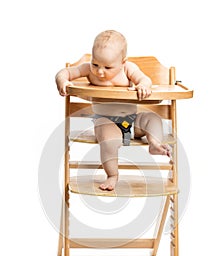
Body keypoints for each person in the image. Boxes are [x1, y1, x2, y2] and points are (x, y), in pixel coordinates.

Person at [55, 30, 171, 191]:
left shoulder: (128, 69)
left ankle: (154, 143)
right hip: (106, 121)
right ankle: (112, 175)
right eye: (95, 64)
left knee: (152, 119)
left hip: (132, 120)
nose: (100, 71)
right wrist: (63, 81)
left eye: (108, 67)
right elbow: (65, 72)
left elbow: (145, 79)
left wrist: (143, 85)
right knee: (109, 140)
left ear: (123, 62)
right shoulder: (88, 70)